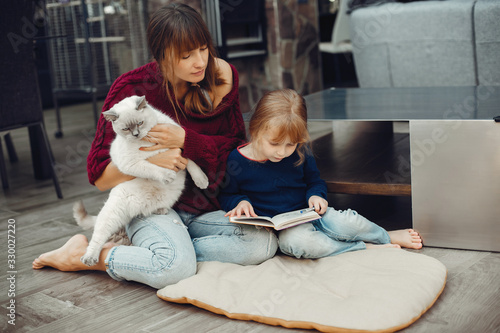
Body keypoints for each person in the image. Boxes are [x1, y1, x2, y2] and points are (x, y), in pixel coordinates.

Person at [32, 3, 278, 289]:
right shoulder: (131, 90)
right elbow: (98, 176)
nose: (199, 62)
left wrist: (187, 141)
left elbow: (237, 151)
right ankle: (88, 255)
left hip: (204, 207)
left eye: (203, 49)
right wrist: (150, 163)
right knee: (173, 269)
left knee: (261, 243)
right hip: (151, 205)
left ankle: (167, 248)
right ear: (162, 57)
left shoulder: (223, 77)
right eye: (186, 56)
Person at [218, 89, 422, 259]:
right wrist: (239, 202)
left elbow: (314, 181)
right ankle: (361, 247)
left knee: (347, 222)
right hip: (283, 230)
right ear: (256, 130)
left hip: (308, 213)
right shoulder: (237, 161)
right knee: (303, 244)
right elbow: (227, 194)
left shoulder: (300, 152)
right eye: (274, 143)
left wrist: (316, 195)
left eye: (290, 144)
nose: (282, 152)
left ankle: (384, 235)